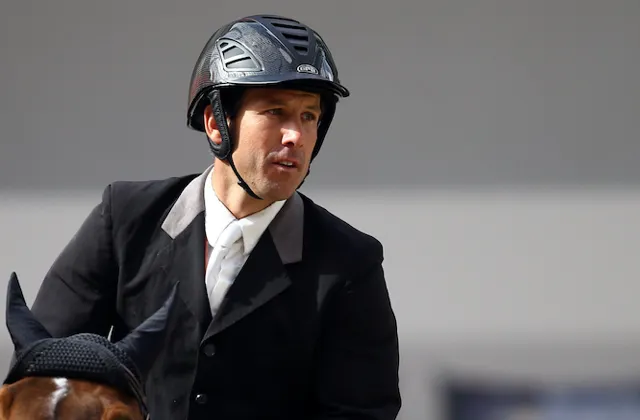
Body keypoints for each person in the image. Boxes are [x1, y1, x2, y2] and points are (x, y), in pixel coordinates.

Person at [28, 14, 401, 420]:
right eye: (276, 111)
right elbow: (42, 368)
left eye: (309, 116)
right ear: (216, 123)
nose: (295, 135)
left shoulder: (350, 262)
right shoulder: (124, 218)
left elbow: (361, 414)